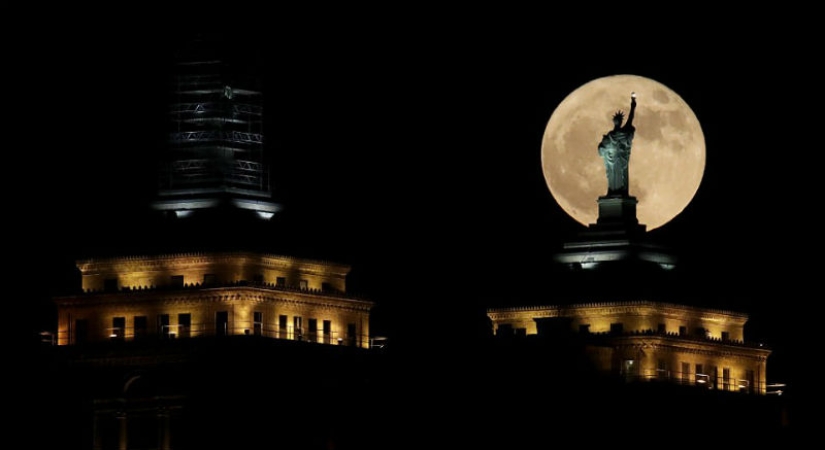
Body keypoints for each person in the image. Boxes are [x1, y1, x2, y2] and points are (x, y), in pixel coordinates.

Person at [598, 93, 636, 196]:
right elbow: (601, 148)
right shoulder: (610, 135)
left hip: (619, 159)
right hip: (613, 161)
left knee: (620, 177)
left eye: (618, 121)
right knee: (612, 177)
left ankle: (619, 192)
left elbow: (630, 119)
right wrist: (602, 148)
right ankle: (612, 192)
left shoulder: (622, 132)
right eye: (616, 121)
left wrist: (633, 106)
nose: (617, 122)